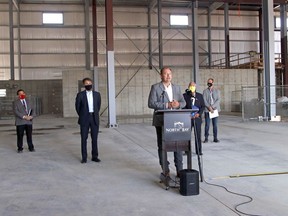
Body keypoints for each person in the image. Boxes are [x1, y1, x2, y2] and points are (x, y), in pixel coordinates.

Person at [148, 67, 186, 177]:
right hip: (161, 120)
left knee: (178, 145)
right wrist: (167, 105)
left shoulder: (177, 88)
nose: (168, 76)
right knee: (162, 145)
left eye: (170, 74)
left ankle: (179, 169)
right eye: (165, 74)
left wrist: (178, 105)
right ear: (161, 76)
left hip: (175, 120)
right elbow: (151, 103)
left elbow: (183, 102)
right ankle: (165, 169)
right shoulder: (155, 87)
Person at [75, 77, 101, 163]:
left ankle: (94, 156)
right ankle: (84, 157)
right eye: (86, 83)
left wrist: (94, 114)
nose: (88, 85)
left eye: (89, 83)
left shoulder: (97, 94)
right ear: (84, 85)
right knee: (84, 138)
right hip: (84, 119)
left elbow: (98, 106)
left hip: (94, 118)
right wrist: (82, 115)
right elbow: (77, 108)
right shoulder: (80, 95)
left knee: (94, 138)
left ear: (92, 84)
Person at [183, 82, 205, 155]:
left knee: (198, 135)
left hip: (197, 118)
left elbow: (203, 106)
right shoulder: (185, 96)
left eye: (193, 86)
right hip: (188, 118)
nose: (192, 87)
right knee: (187, 135)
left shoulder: (200, 96)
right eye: (191, 86)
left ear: (195, 87)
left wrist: (199, 114)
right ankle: (187, 150)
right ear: (188, 87)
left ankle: (198, 151)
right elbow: (183, 107)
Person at [203, 78, 221, 143]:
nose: (209, 84)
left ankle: (215, 138)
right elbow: (204, 100)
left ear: (213, 83)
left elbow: (218, 100)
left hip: (215, 110)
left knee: (215, 125)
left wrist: (212, 107)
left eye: (210, 82)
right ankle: (206, 138)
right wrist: (209, 107)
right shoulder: (205, 91)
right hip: (207, 110)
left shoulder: (217, 91)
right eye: (208, 82)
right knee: (207, 125)